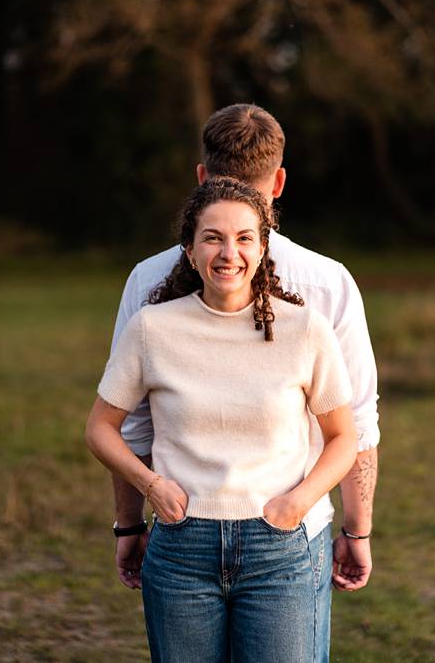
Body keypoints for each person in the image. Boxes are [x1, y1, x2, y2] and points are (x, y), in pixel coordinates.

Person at [106, 104, 381, 661]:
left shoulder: (145, 277)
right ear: (278, 182)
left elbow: (138, 426)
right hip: (220, 533)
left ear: (201, 176)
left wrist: (128, 525)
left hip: (276, 534)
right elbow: (364, 422)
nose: (228, 255)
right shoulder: (331, 279)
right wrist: (357, 531)